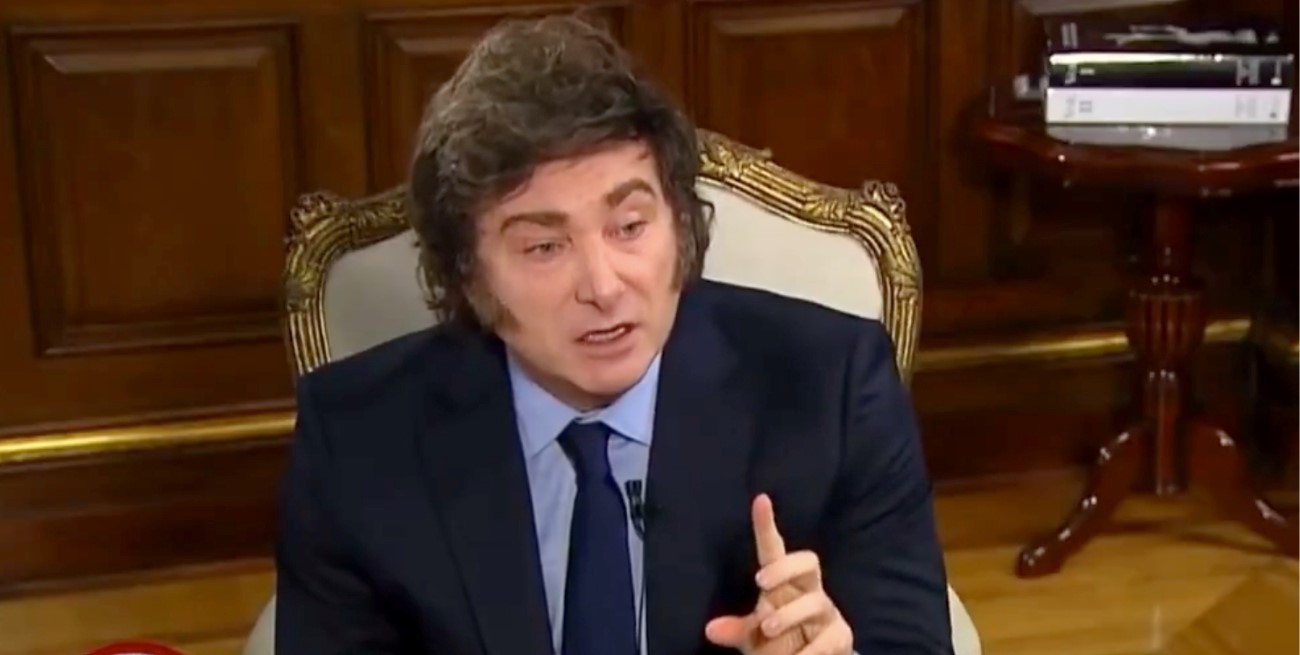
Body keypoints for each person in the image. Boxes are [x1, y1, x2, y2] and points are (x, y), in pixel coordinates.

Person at [275, 13, 952, 655]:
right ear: (467, 274)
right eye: (544, 247)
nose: (603, 286)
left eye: (629, 226)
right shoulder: (356, 441)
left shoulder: (833, 388)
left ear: (679, 224)